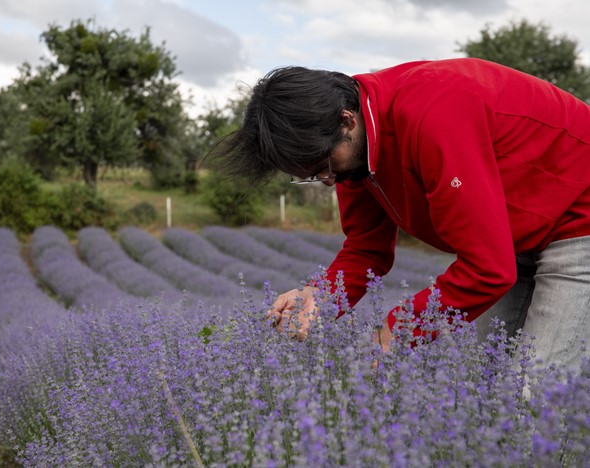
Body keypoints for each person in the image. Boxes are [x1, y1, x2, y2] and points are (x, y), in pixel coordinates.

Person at [208, 58, 590, 373]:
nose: (326, 181)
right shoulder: (351, 148)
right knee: (477, 382)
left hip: (578, 218)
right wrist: (319, 296)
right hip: (515, 234)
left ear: (347, 120)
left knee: (537, 393)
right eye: (309, 176)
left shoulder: (433, 116)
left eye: (323, 165)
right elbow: (366, 249)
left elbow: (488, 269)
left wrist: (394, 331)